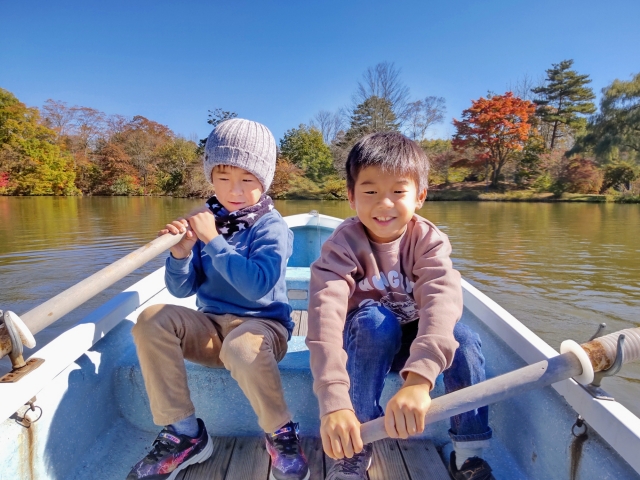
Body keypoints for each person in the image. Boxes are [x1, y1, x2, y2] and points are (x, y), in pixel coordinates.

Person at [126, 119, 309, 480]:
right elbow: (182, 290)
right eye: (223, 177)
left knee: (242, 347)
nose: (234, 190)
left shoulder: (272, 226)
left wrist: (212, 241)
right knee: (151, 319)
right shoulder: (207, 221)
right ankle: (184, 434)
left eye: (248, 179)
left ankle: (281, 432)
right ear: (211, 178)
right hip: (210, 327)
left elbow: (257, 286)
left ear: (264, 181)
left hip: (264, 328)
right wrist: (180, 254)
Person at [306, 131, 494, 480]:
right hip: (365, 342)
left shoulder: (429, 241)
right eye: (371, 191)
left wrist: (420, 379)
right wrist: (333, 401)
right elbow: (324, 317)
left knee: (464, 339)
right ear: (351, 196)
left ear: (420, 196)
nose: (385, 204)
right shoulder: (342, 246)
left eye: (398, 191)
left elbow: (441, 300)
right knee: (375, 321)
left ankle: (468, 453)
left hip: (414, 342)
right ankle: (356, 448)